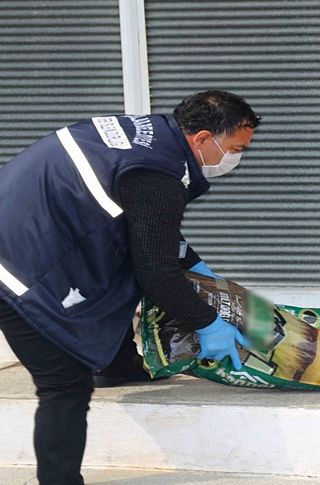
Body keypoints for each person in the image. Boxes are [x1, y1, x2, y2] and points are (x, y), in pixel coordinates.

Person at [0, 90, 259, 484]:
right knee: (64, 382)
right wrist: (207, 322)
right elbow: (155, 270)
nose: (236, 160)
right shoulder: (158, 174)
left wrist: (194, 264)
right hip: (16, 267)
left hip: (33, 231)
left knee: (117, 272)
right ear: (204, 138)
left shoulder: (153, 136)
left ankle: (118, 366)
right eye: (236, 149)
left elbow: (146, 227)